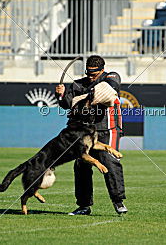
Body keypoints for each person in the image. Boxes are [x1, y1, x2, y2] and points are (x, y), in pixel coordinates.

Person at [55, 55, 127, 215]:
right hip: (85, 131)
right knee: (81, 165)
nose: (89, 77)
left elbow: (107, 91)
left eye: (93, 74)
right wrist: (61, 95)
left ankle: (118, 201)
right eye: (88, 73)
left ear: (102, 70)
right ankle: (84, 205)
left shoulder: (112, 77)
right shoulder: (78, 84)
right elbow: (67, 104)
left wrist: (80, 96)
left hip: (108, 128)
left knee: (109, 160)